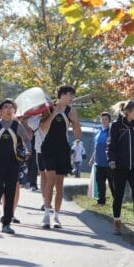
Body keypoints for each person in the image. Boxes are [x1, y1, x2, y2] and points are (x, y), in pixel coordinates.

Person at [0, 99, 31, 234]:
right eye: (6, 107)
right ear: (0, 110)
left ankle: (6, 224)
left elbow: (27, 140)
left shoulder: (17, 125)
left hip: (13, 164)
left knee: (10, 195)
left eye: (11, 107)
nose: (9, 110)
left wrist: (28, 150)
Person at [107, 100, 134, 237]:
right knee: (118, 196)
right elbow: (110, 145)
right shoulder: (116, 126)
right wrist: (112, 159)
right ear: (127, 112)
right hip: (119, 167)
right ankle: (117, 224)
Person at [41, 85, 82, 229]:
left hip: (63, 149)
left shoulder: (72, 111)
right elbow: (43, 128)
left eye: (73, 96)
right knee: (50, 180)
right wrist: (53, 114)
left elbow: (77, 135)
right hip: (48, 148)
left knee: (59, 184)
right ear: (62, 95)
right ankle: (46, 215)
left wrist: (75, 121)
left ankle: (56, 217)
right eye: (70, 95)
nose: (72, 98)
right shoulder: (49, 108)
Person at [89, 112, 114, 204]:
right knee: (100, 183)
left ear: (109, 121)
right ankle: (101, 201)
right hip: (98, 163)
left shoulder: (111, 132)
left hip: (109, 163)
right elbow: (97, 147)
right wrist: (92, 158)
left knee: (112, 184)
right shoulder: (98, 131)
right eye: (102, 119)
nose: (104, 121)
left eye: (106, 119)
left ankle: (117, 201)